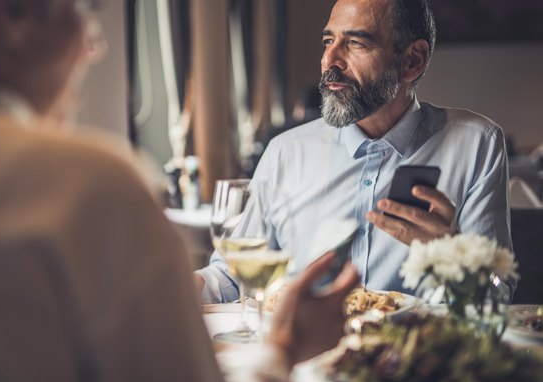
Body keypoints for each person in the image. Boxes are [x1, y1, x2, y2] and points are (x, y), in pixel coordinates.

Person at [0, 0, 359, 382]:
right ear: (13, 13)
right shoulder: (94, 187)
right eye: (85, 12)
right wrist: (283, 346)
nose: (96, 45)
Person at [196, 0, 513, 303]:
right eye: (328, 41)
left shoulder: (476, 145)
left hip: (408, 353)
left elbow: (496, 296)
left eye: (356, 43)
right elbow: (231, 277)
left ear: (413, 61)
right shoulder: (284, 153)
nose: (329, 61)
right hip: (304, 351)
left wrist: (454, 256)